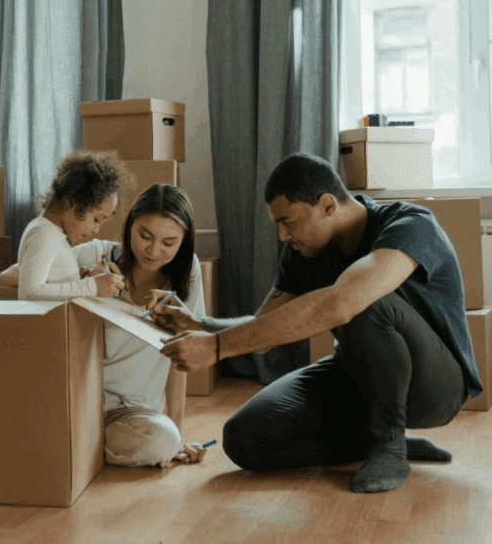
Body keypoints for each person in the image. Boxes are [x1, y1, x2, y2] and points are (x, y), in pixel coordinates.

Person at [151, 153, 483, 492]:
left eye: (288, 222)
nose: (282, 236)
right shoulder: (303, 251)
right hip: (360, 376)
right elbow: (264, 328)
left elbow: (343, 302)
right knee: (244, 438)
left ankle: (389, 446)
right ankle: (373, 441)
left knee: (365, 301)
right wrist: (200, 324)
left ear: (326, 205)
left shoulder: (411, 225)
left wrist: (217, 348)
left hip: (436, 388)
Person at [0, 184, 212, 467]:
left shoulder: (188, 275)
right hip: (79, 401)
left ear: (184, 241)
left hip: (132, 413)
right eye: (144, 235)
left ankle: (73, 445)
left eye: (168, 243)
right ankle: (75, 443)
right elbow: (7, 278)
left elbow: (181, 358)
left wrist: (177, 433)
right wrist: (85, 281)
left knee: (163, 442)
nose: (153, 250)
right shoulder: (96, 255)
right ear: (129, 226)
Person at [14, 150, 128, 301]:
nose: (96, 229)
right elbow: (29, 293)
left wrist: (81, 280)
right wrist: (91, 286)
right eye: (96, 219)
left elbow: (52, 288)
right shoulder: (43, 234)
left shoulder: (53, 234)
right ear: (73, 200)